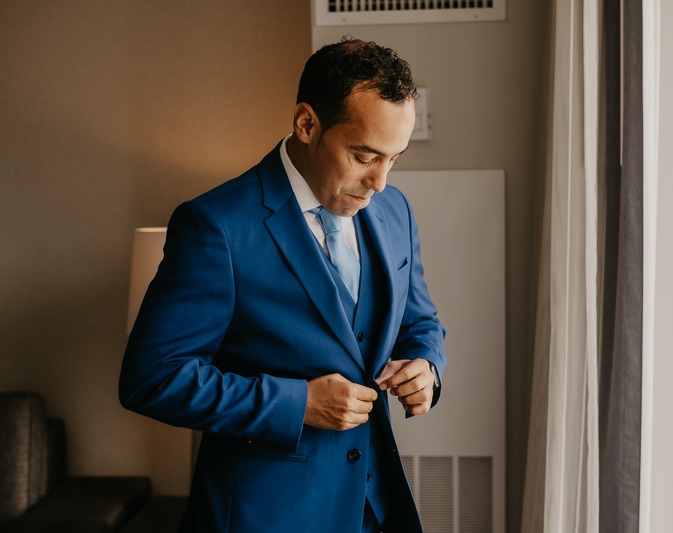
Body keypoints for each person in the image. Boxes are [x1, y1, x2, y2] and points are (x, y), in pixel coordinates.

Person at [119, 37, 447, 533]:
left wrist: (426, 366)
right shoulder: (216, 225)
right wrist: (298, 404)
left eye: (394, 158)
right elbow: (151, 378)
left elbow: (418, 320)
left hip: (377, 510)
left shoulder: (394, 210)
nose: (379, 182)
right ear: (307, 124)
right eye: (364, 156)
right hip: (266, 515)